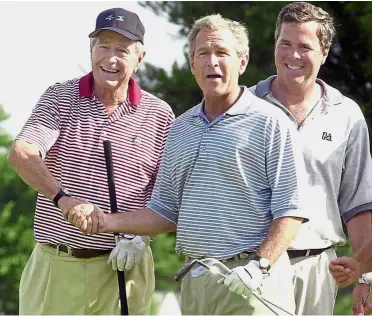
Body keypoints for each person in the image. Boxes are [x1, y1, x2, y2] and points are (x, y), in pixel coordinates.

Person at [65, 14, 310, 315]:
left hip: (252, 282)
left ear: (242, 61)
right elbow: (165, 211)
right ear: (192, 63)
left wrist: (261, 265)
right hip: (196, 281)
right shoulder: (180, 128)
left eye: (222, 53)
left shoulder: (271, 123)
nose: (212, 62)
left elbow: (292, 208)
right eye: (203, 53)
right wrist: (106, 221)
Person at [8, 7, 174, 315]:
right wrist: (65, 201)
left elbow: (166, 193)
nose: (110, 59)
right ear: (91, 49)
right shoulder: (60, 97)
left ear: (140, 57)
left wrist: (139, 234)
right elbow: (22, 153)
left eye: (122, 50)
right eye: (104, 47)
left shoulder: (160, 114)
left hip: (126, 267)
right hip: (57, 265)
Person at [249, 2, 372, 315]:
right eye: (285, 44)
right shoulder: (243, 106)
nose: (292, 55)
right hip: (250, 266)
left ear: (324, 51)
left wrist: (366, 274)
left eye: (304, 46)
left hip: (317, 268)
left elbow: (359, 203)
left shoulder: (347, 115)